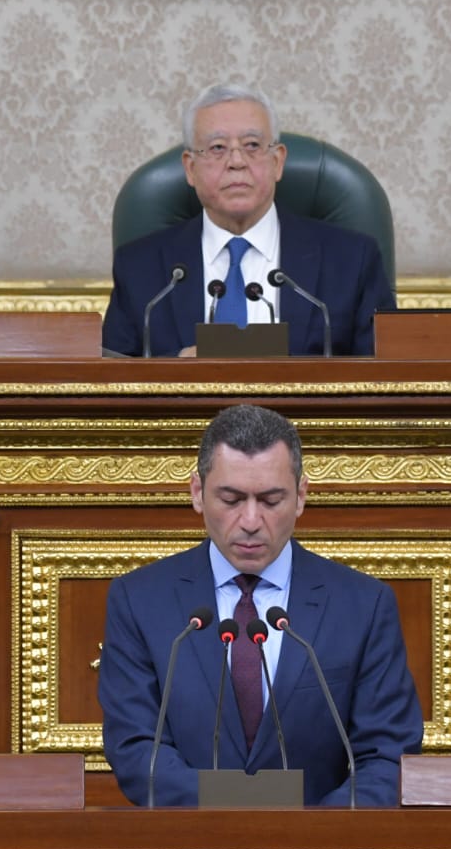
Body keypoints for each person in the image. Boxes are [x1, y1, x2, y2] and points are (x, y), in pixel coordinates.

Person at [98, 404, 423, 806]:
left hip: (323, 843)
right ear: (197, 493)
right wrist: (238, 811)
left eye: (270, 500)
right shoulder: (139, 600)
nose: (250, 521)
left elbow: (387, 755)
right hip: (189, 840)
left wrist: (309, 833)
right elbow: (135, 748)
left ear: (301, 497)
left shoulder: (363, 605)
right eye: (231, 499)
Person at [102, 84, 395, 357]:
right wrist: (174, 373)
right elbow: (110, 380)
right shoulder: (139, 269)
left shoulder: (351, 261)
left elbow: (386, 379)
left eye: (252, 145)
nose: (237, 161)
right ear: (190, 169)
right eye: (218, 148)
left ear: (277, 162)